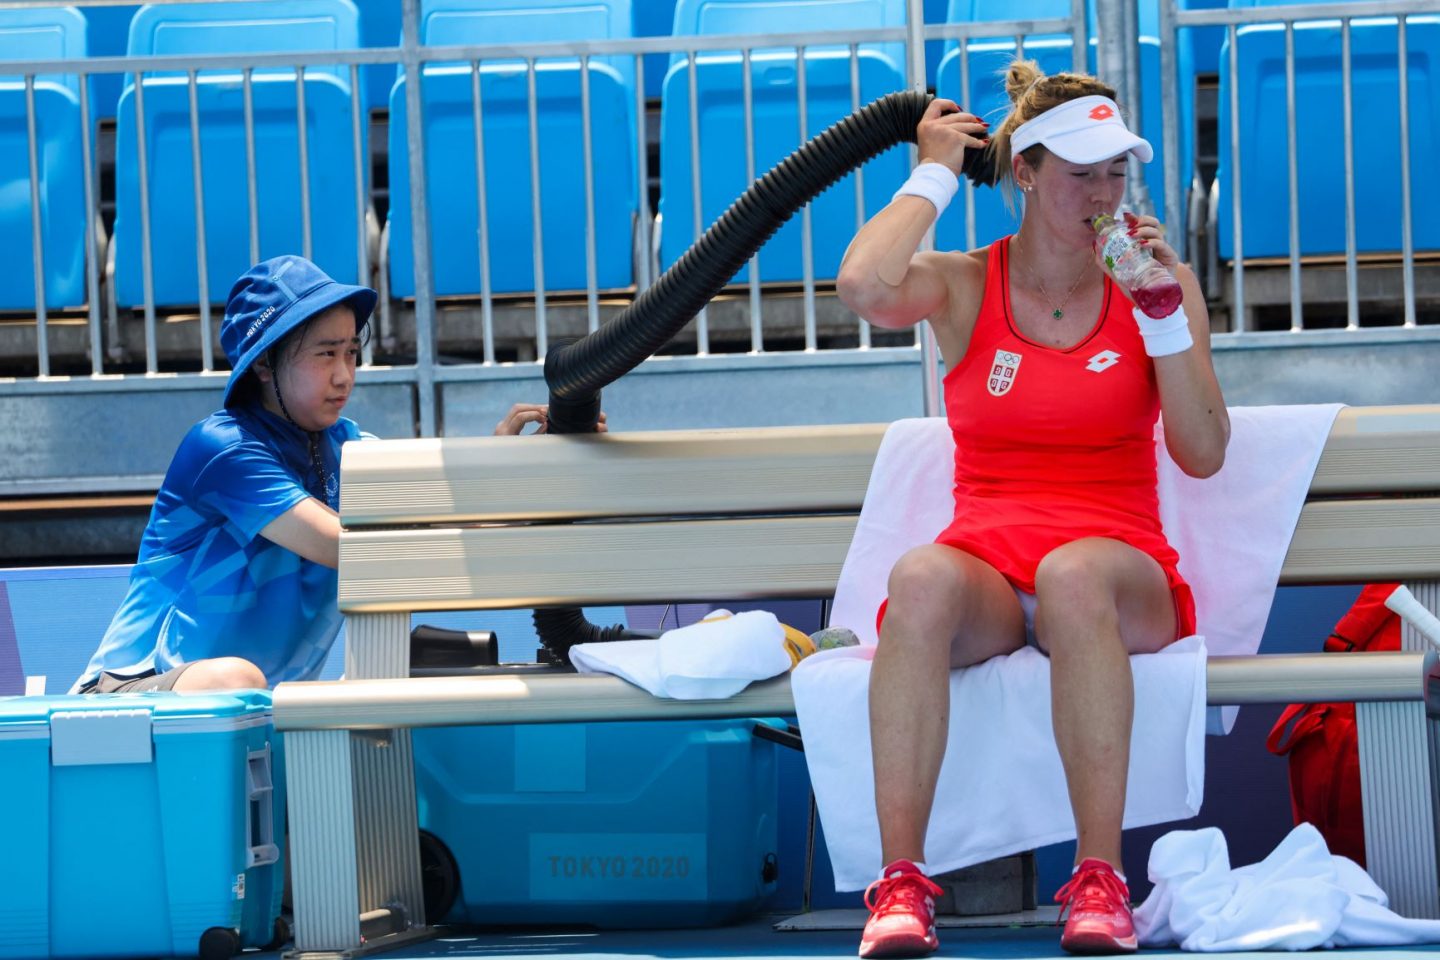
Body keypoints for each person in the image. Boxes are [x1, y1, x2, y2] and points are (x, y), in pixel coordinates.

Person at [835, 60, 1229, 958]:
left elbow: (1203, 456)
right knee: (919, 579)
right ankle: (899, 887)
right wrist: (934, 170)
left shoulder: (1155, 285)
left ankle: (1099, 879)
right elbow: (862, 285)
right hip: (990, 569)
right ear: (1025, 172)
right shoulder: (970, 282)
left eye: (1116, 171)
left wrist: (1164, 318)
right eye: (1080, 171)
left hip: (1117, 569)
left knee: (1072, 572)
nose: (1102, 191)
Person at [73, 255, 593, 695]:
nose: (344, 375)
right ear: (263, 364)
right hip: (125, 701)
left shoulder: (349, 447)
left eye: (350, 352)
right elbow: (351, 548)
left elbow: (442, 523)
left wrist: (520, 468)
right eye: (325, 355)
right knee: (234, 679)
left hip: (260, 714)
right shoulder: (223, 448)